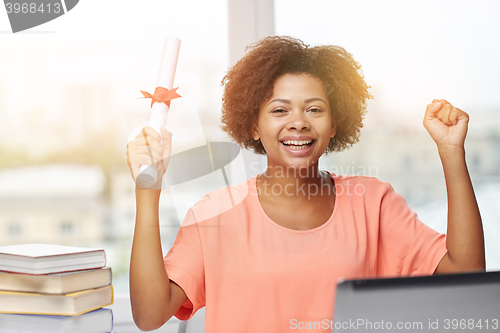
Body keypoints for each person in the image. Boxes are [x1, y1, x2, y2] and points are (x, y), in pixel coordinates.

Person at [126, 36, 485, 332]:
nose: (298, 122)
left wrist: (452, 152)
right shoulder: (212, 214)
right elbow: (149, 314)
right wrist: (147, 193)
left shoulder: (373, 203)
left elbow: (466, 276)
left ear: (334, 122)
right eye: (280, 110)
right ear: (254, 126)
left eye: (314, 109)